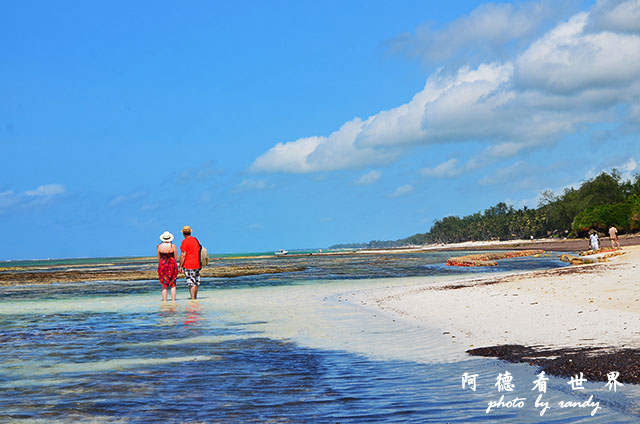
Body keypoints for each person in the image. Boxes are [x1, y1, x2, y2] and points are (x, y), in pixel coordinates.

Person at [179, 225, 202, 300]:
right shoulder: (195, 239)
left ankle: (193, 299)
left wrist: (180, 266)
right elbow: (199, 249)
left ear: (183, 233)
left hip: (189, 264)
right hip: (197, 264)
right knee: (196, 282)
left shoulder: (184, 241)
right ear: (190, 232)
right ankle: (195, 298)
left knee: (191, 283)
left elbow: (183, 254)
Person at [157, 231, 178, 301]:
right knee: (173, 284)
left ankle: (165, 301)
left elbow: (159, 258)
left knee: (164, 284)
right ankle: (173, 300)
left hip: (163, 264)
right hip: (172, 264)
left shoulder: (159, 246)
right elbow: (175, 257)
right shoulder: (173, 246)